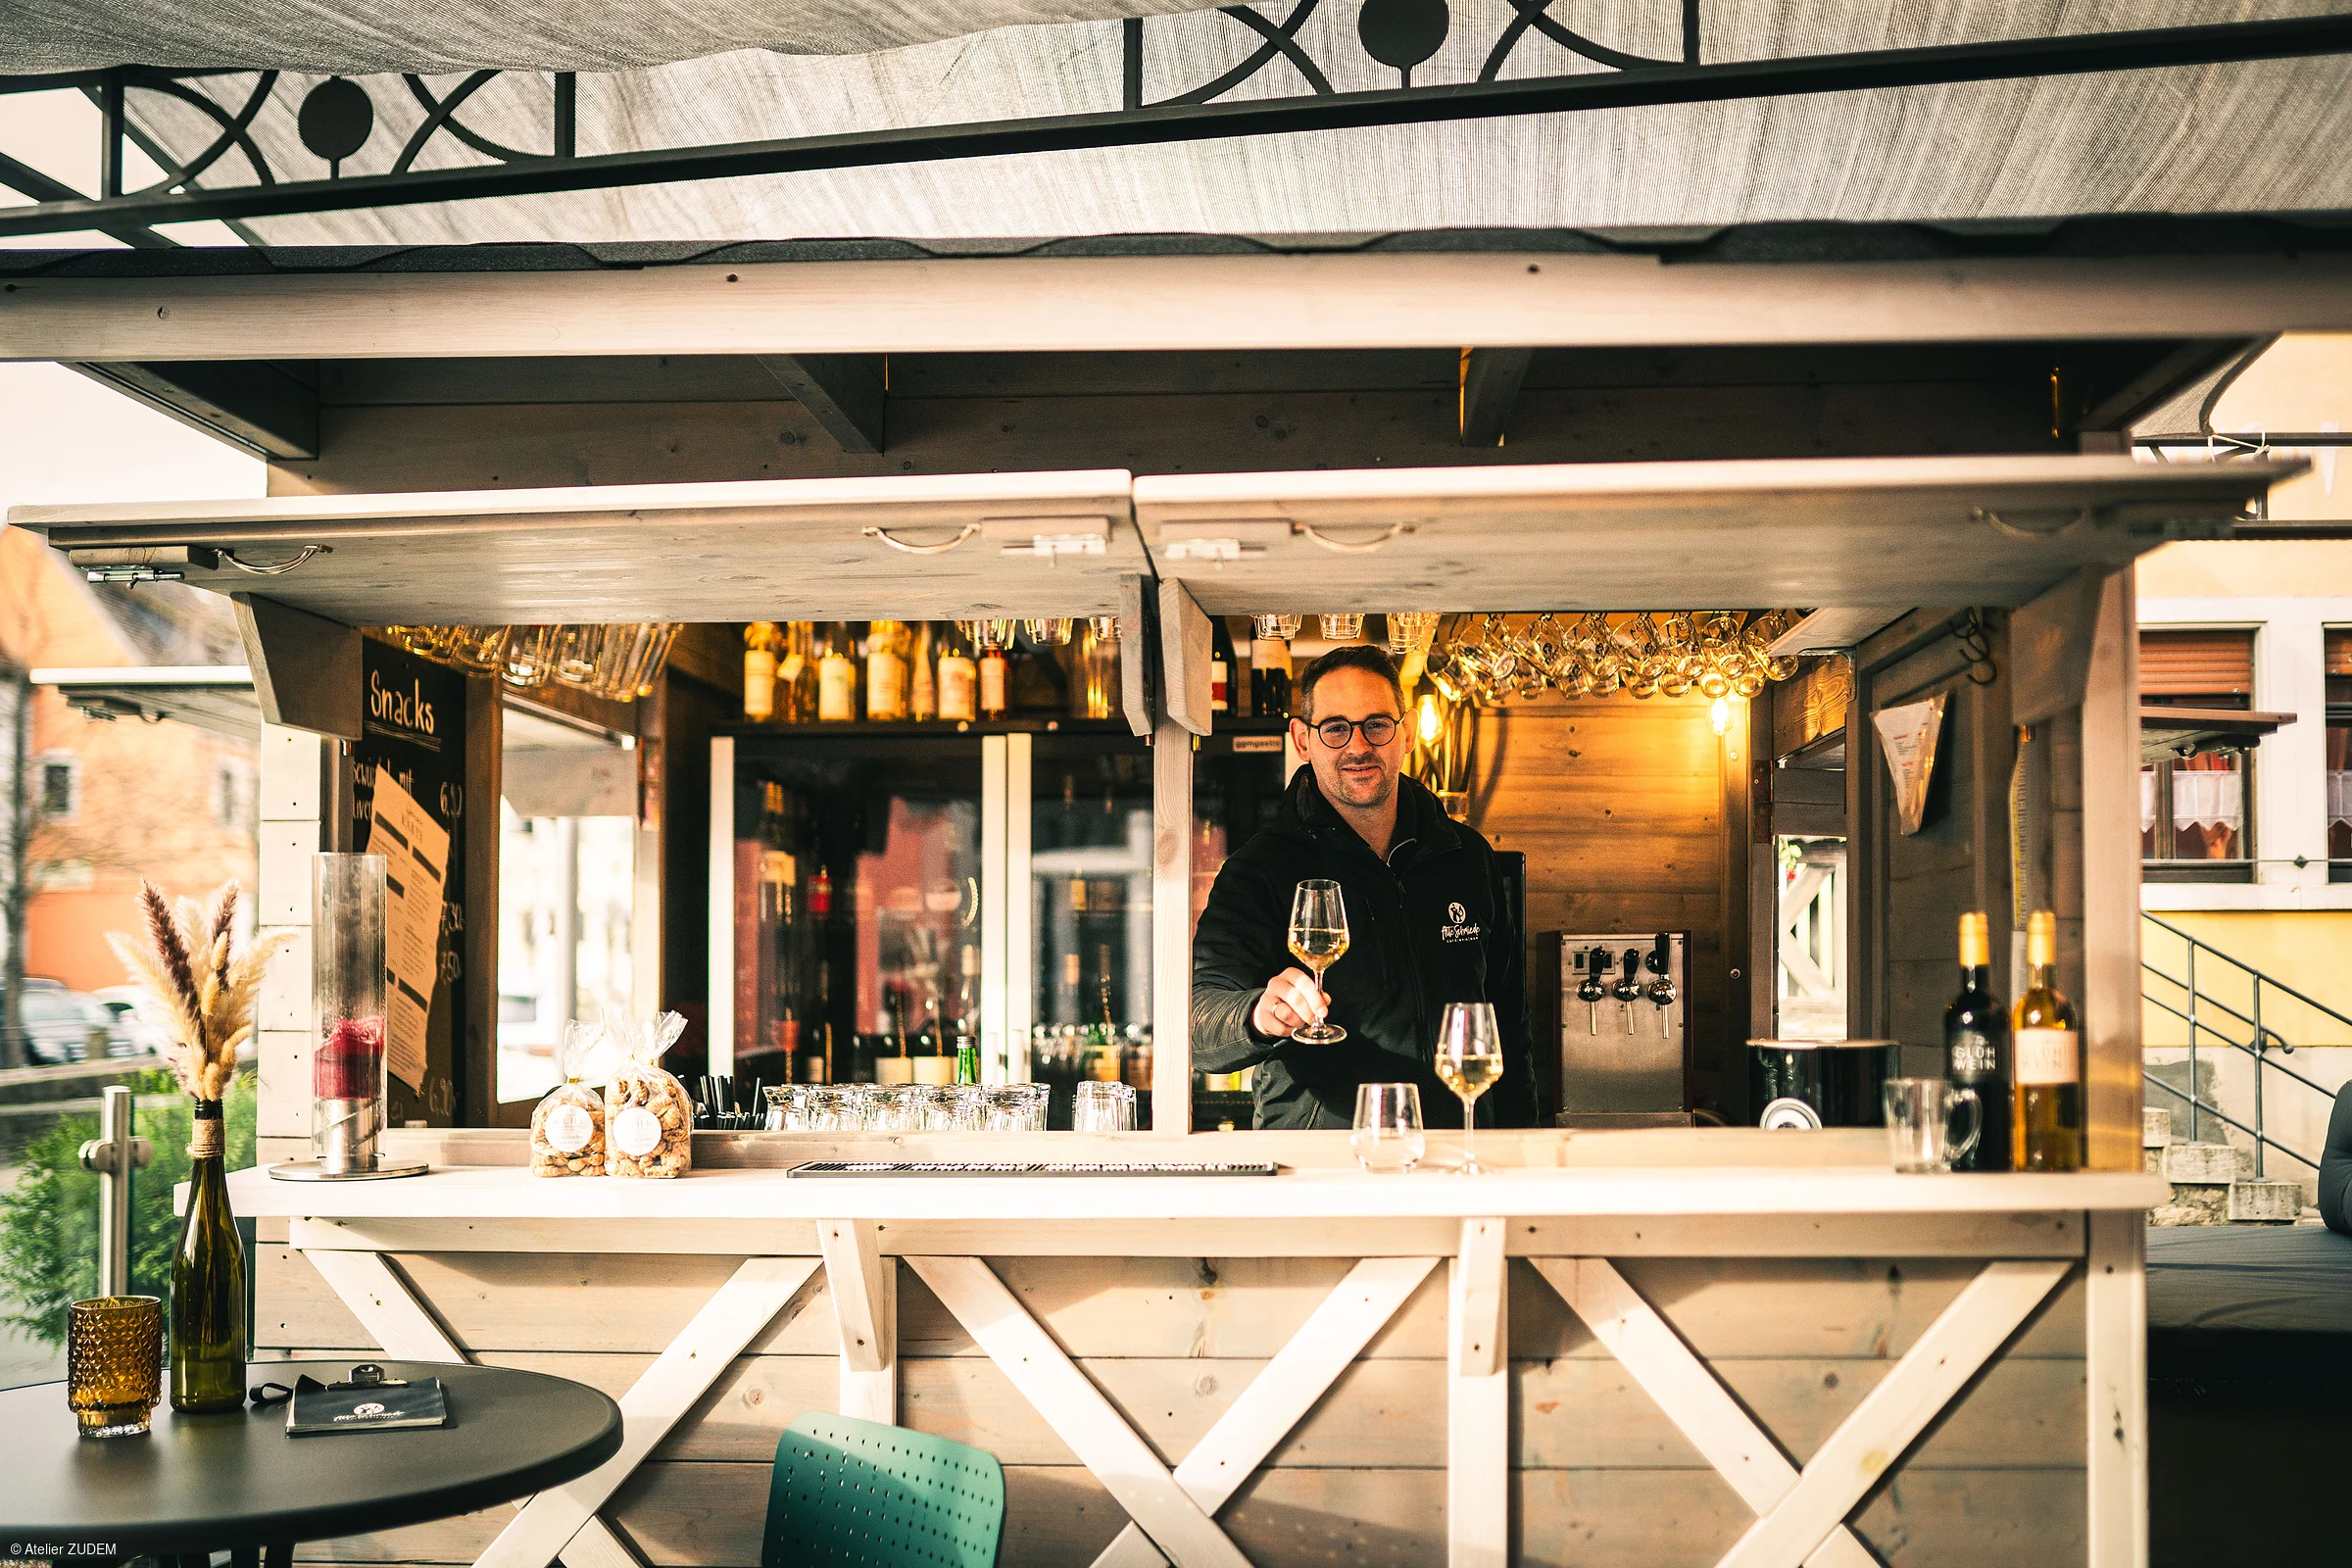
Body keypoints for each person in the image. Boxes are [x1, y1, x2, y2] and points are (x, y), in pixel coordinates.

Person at [1192, 643, 1538, 1130]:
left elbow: (1510, 1027)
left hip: (1456, 1157)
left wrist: (1520, 1149)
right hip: (1321, 1168)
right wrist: (1257, 1014)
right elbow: (1198, 1023)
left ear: (1409, 732)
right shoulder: (1260, 869)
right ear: (1302, 740)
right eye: (1335, 728)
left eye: (1377, 724)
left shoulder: (1466, 856)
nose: (1358, 746)